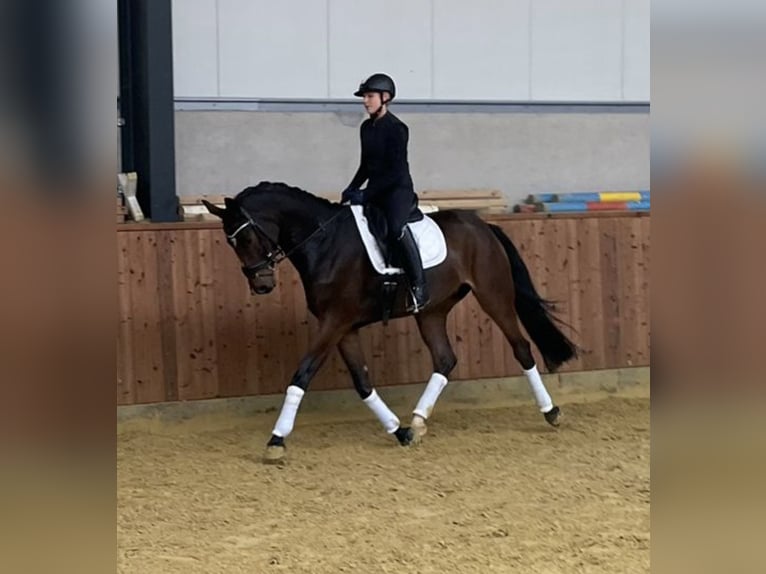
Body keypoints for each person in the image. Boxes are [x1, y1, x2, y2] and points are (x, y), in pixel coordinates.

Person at [341, 73, 430, 313]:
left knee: (394, 229)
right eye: (365, 97)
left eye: (370, 96)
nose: (365, 101)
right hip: (375, 189)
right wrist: (351, 188)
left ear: (385, 97)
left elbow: (394, 172)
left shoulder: (397, 129)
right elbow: (365, 165)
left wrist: (366, 194)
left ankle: (419, 285)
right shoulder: (366, 128)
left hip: (396, 191)